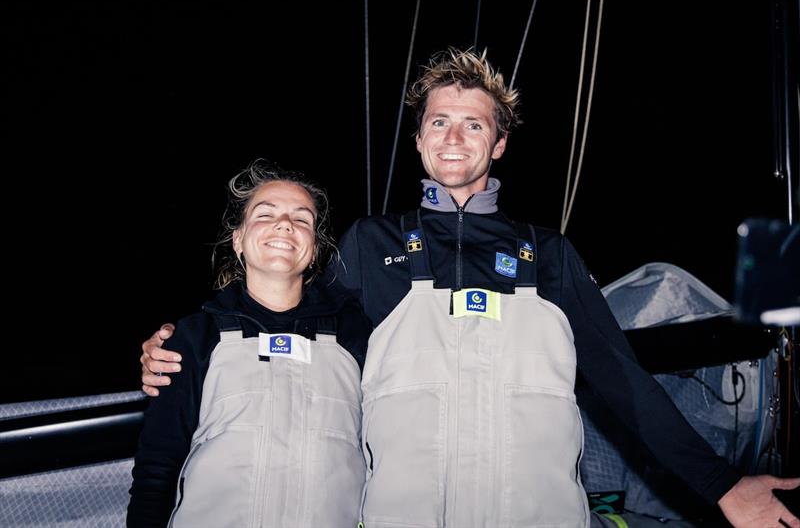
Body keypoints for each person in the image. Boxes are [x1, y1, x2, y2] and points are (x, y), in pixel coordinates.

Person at [141, 49, 800, 527]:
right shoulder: (373, 246)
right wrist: (181, 337)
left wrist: (724, 487)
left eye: (473, 124)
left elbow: (624, 384)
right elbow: (286, 315)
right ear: (420, 139)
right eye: (438, 122)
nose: (453, 137)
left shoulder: (548, 254)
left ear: (500, 143)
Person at [128, 162, 371, 527]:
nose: (285, 224)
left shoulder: (356, 338)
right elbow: (156, 469)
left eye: (302, 219)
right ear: (238, 239)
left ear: (316, 248)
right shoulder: (194, 338)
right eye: (265, 214)